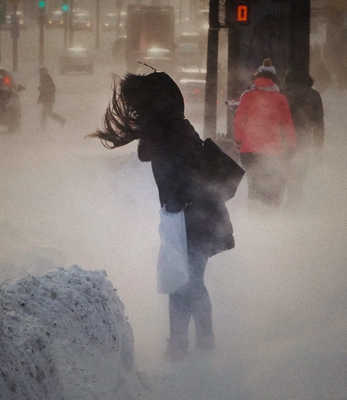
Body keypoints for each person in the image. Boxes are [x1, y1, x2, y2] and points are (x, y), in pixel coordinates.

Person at [90, 71, 241, 361]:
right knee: (183, 281)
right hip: (191, 216)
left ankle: (194, 345)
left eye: (139, 106)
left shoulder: (168, 135)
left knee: (187, 281)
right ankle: (184, 344)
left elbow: (188, 175)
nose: (135, 112)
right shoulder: (174, 129)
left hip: (194, 217)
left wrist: (176, 206)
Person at [234, 67, 297, 207]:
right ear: (274, 81)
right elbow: (287, 124)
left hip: (249, 150)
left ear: (256, 80)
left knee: (254, 182)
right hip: (272, 150)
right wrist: (291, 146)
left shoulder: (247, 96)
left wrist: (238, 141)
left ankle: (255, 218)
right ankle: (270, 217)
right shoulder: (280, 98)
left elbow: (239, 121)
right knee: (272, 182)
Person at [282, 69, 325, 209]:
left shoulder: (281, 94)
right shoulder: (313, 96)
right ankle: (292, 211)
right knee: (296, 180)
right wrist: (318, 148)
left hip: (282, 142)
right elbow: (318, 124)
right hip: (302, 143)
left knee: (277, 175)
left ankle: (273, 213)